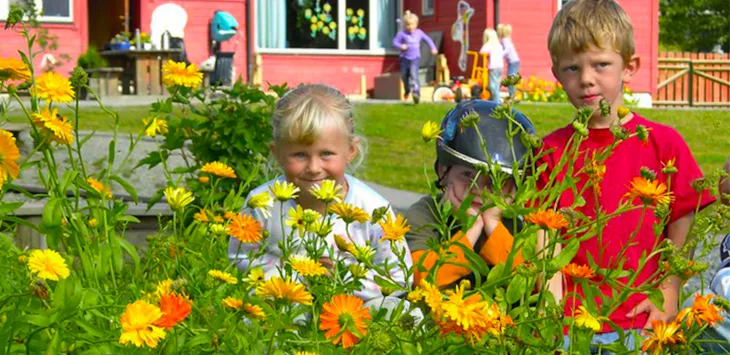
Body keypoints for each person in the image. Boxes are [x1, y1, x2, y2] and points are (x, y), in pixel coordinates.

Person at [542, 0, 715, 351]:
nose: (586, 79)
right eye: (572, 68)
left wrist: (669, 291)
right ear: (557, 74)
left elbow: (684, 220)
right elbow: (545, 238)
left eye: (601, 65)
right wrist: (549, 310)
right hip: (569, 324)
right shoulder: (549, 152)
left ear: (629, 67)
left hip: (641, 318)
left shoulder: (662, 143)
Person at [227, 84, 413, 309]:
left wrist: (343, 280)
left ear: (350, 151)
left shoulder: (373, 209)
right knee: (256, 314)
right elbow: (240, 260)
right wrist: (296, 276)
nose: (314, 167)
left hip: (355, 310)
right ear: (277, 153)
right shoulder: (262, 203)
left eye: (326, 154)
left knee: (400, 311)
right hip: (285, 304)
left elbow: (400, 276)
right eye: (300, 155)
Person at [405, 100, 532, 288]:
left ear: (512, 188)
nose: (479, 190)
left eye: (495, 181)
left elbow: (525, 286)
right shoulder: (424, 213)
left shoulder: (515, 224)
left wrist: (493, 224)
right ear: (443, 171)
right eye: (467, 175)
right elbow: (420, 278)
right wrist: (471, 230)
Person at [392, 11, 438, 104]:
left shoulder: (419, 33)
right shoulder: (402, 34)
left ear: (416, 24)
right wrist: (401, 46)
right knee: (404, 76)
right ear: (405, 25)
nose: (410, 27)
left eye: (412, 24)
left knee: (414, 75)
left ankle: (416, 93)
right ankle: (407, 90)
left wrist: (433, 48)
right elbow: (395, 42)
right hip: (404, 58)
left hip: (415, 58)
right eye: (408, 25)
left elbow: (428, 39)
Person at [479, 28, 504, 104]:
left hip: (493, 67)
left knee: (492, 85)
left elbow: (481, 52)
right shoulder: (498, 45)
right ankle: (497, 100)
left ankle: (495, 102)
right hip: (500, 66)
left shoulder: (489, 45)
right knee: (497, 84)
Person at [497, 24, 520, 98]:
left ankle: (512, 95)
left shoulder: (505, 40)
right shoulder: (507, 39)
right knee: (511, 77)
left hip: (513, 62)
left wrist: (500, 54)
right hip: (514, 61)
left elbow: (507, 50)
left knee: (510, 78)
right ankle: (513, 94)